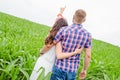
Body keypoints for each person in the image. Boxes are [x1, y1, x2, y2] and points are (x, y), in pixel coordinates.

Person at [30, 7, 83, 80]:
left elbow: (47, 46)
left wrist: (41, 52)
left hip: (45, 60)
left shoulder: (53, 35)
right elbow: (59, 18)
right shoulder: (64, 36)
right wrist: (61, 12)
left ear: (56, 24)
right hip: (54, 64)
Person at [49, 9, 92, 80]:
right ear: (84, 20)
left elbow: (53, 42)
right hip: (72, 70)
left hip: (59, 67)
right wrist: (84, 69)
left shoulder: (63, 30)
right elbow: (88, 55)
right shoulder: (87, 35)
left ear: (73, 17)